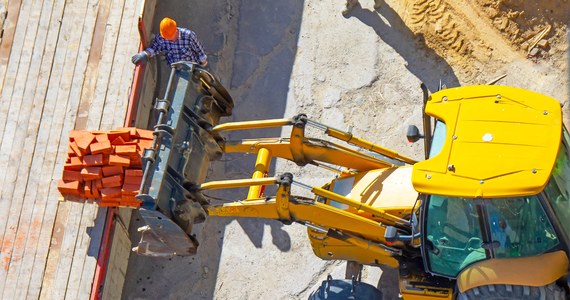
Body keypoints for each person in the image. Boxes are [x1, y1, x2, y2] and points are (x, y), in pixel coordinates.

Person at [131, 17, 208, 67]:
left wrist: (203, 63)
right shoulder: (161, 38)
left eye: (170, 36)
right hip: (175, 67)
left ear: (175, 29)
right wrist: (146, 54)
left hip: (191, 64)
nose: (168, 39)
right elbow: (155, 48)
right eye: (166, 37)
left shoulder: (189, 36)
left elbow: (199, 50)